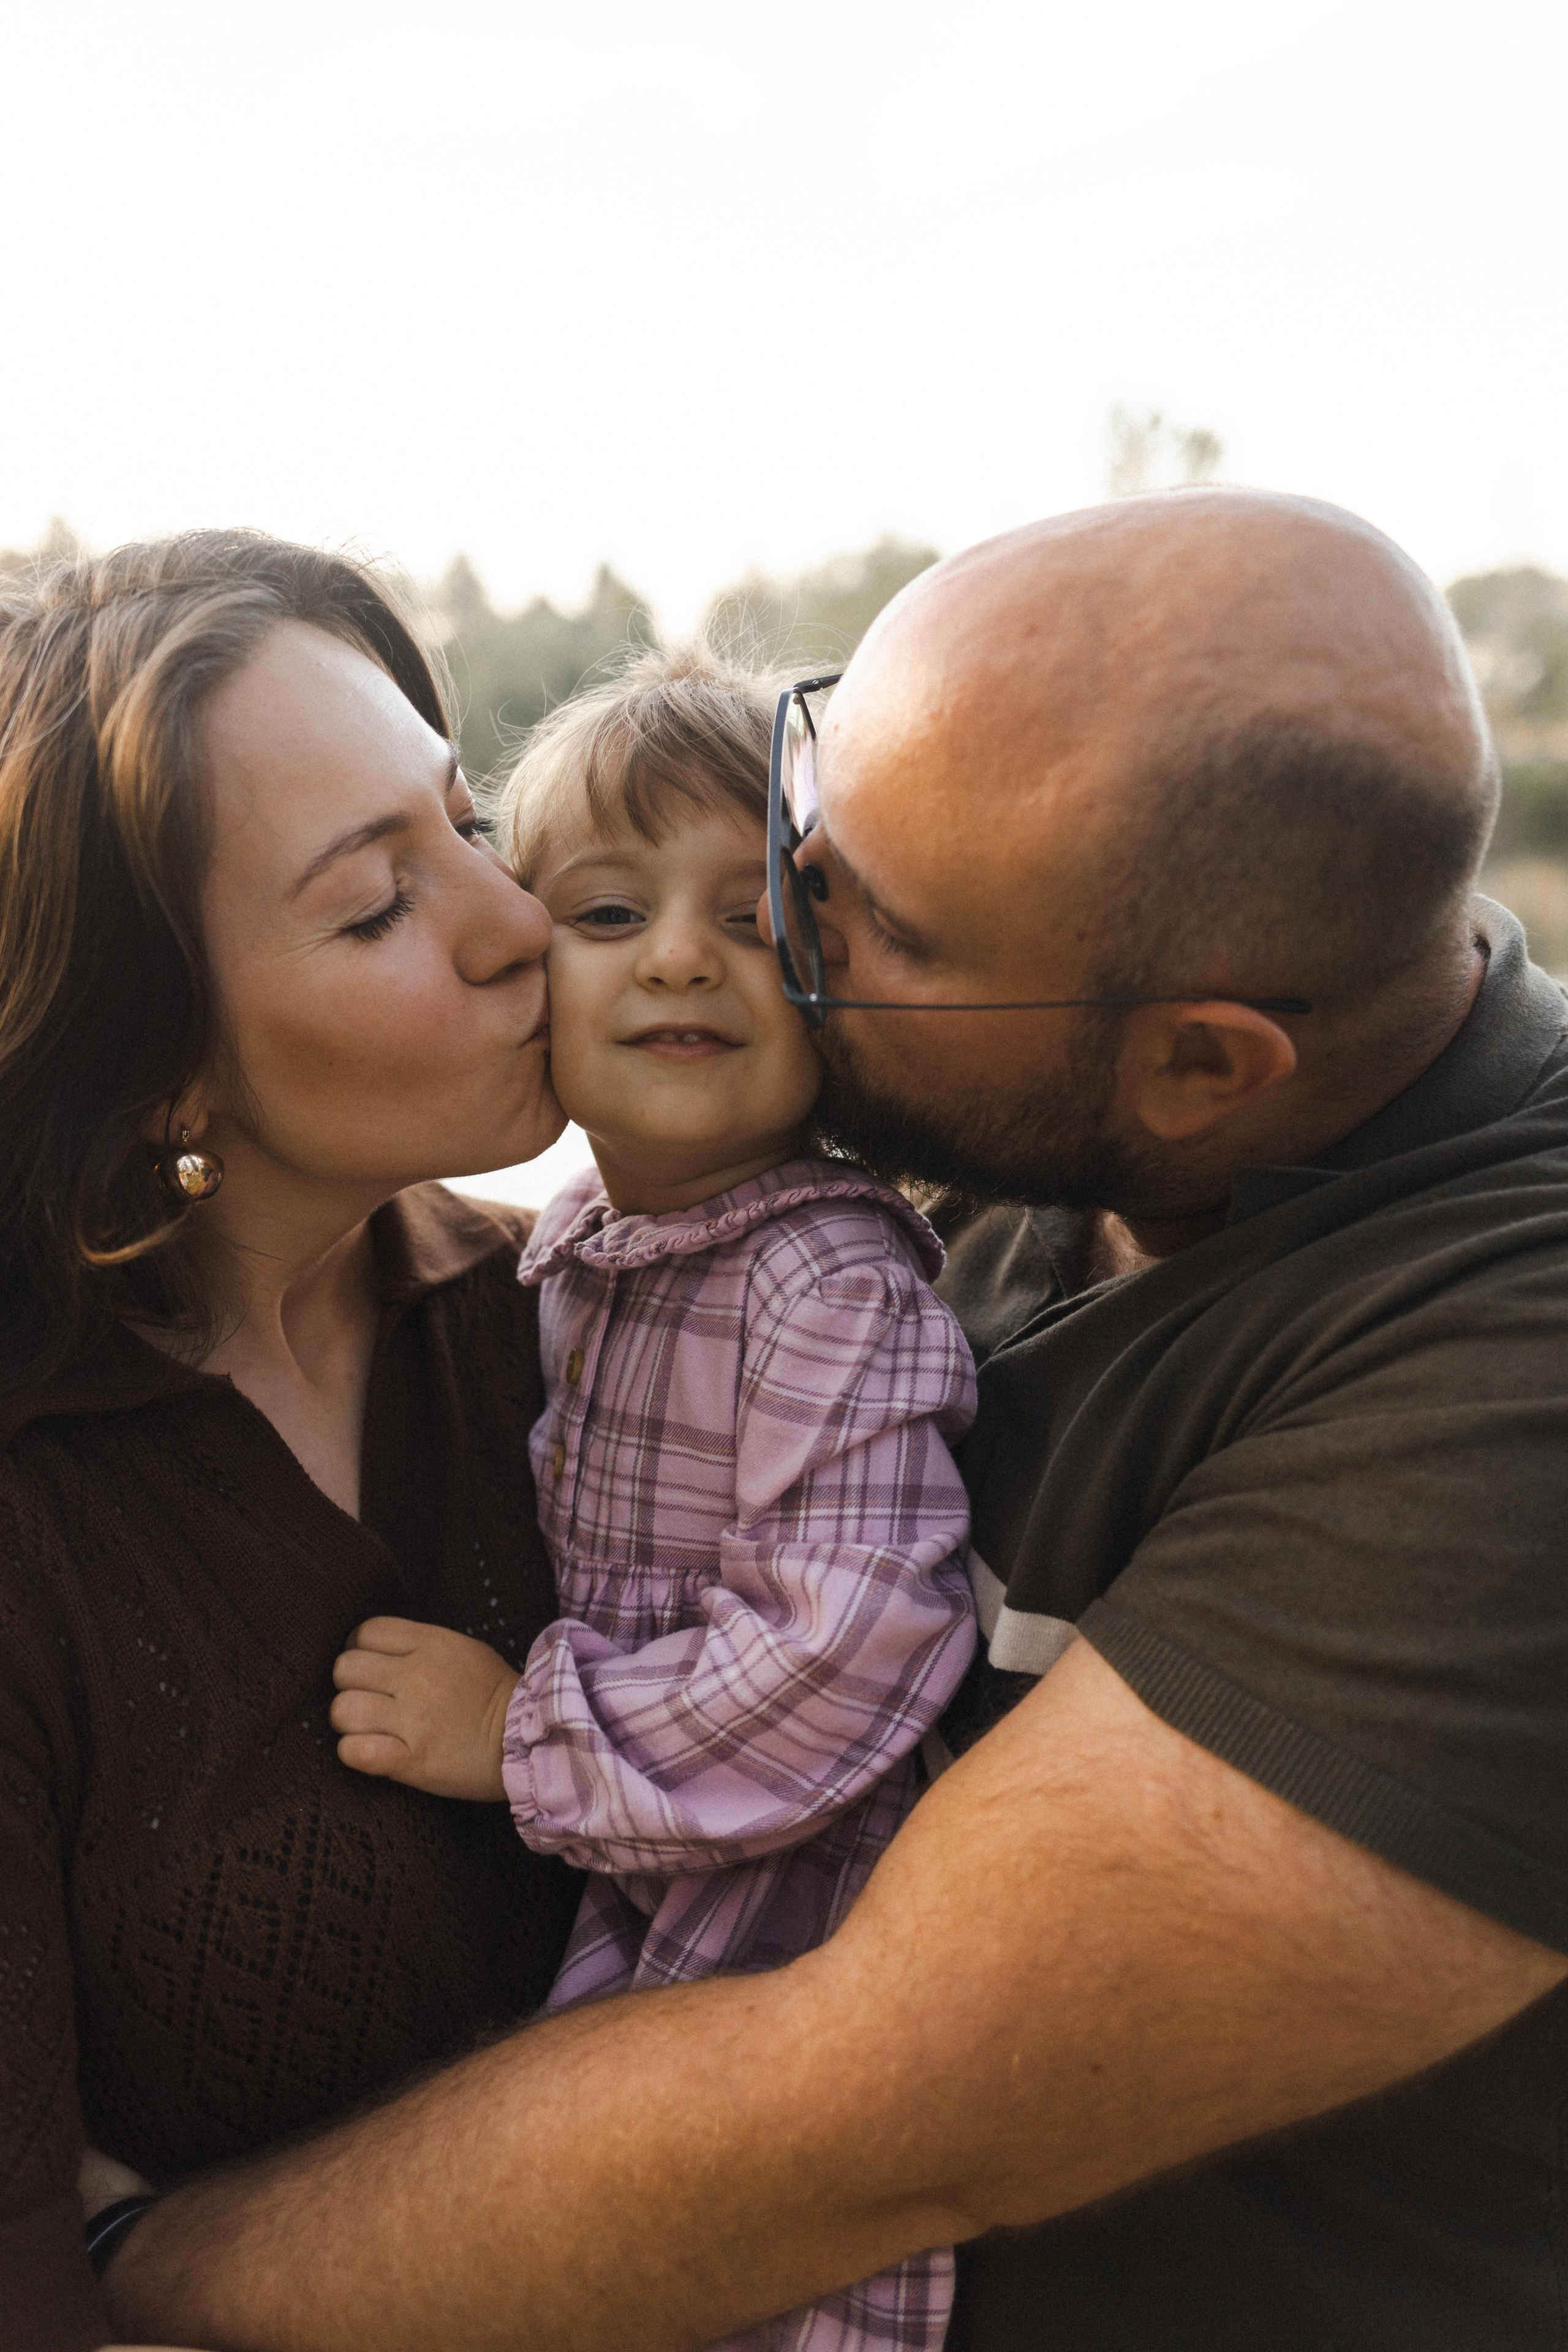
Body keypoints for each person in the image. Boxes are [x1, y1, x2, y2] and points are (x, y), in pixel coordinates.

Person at [102, 490, 1568, 2352]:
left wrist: (138, 2275)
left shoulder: (1512, 1372)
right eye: (822, 791)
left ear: (1202, 1064)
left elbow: (860, 2114)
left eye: (876, 923)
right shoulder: (989, 1127)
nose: (784, 913)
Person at [327, 646, 978, 2352]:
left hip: (776, 1917)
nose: (686, 953)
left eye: (757, 921)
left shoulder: (829, 1282)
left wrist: (515, 1736)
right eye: (610, 914)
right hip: (619, 1884)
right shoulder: (567, 1247)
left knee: (735, 2276)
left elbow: (851, 1651)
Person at [0, 530, 585, 2351]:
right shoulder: (32, 1535)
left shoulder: (595, 1324)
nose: (518, 925)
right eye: (374, 908)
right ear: (159, 1061)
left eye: (469, 822)